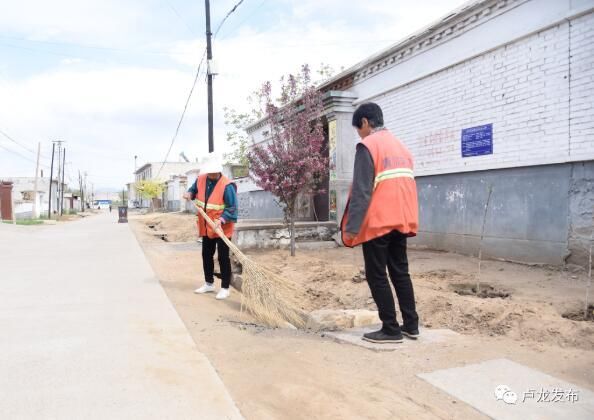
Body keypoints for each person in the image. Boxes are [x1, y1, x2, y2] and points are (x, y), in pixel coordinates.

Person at [341, 103, 420, 344]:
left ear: (365, 122)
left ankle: (390, 329)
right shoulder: (401, 147)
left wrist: (351, 229)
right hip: (403, 219)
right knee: (400, 272)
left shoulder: (368, 146)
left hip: (378, 222)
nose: (359, 134)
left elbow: (362, 191)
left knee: (376, 275)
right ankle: (411, 325)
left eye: (358, 128)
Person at [183, 154, 238, 300]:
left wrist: (222, 219)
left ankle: (225, 288)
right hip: (206, 225)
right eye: (210, 172)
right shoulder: (201, 179)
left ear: (219, 170)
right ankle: (209, 283)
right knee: (206, 255)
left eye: (214, 172)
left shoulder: (227, 185)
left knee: (222, 257)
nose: (212, 174)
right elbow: (193, 190)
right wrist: (189, 193)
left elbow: (232, 208)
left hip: (222, 228)